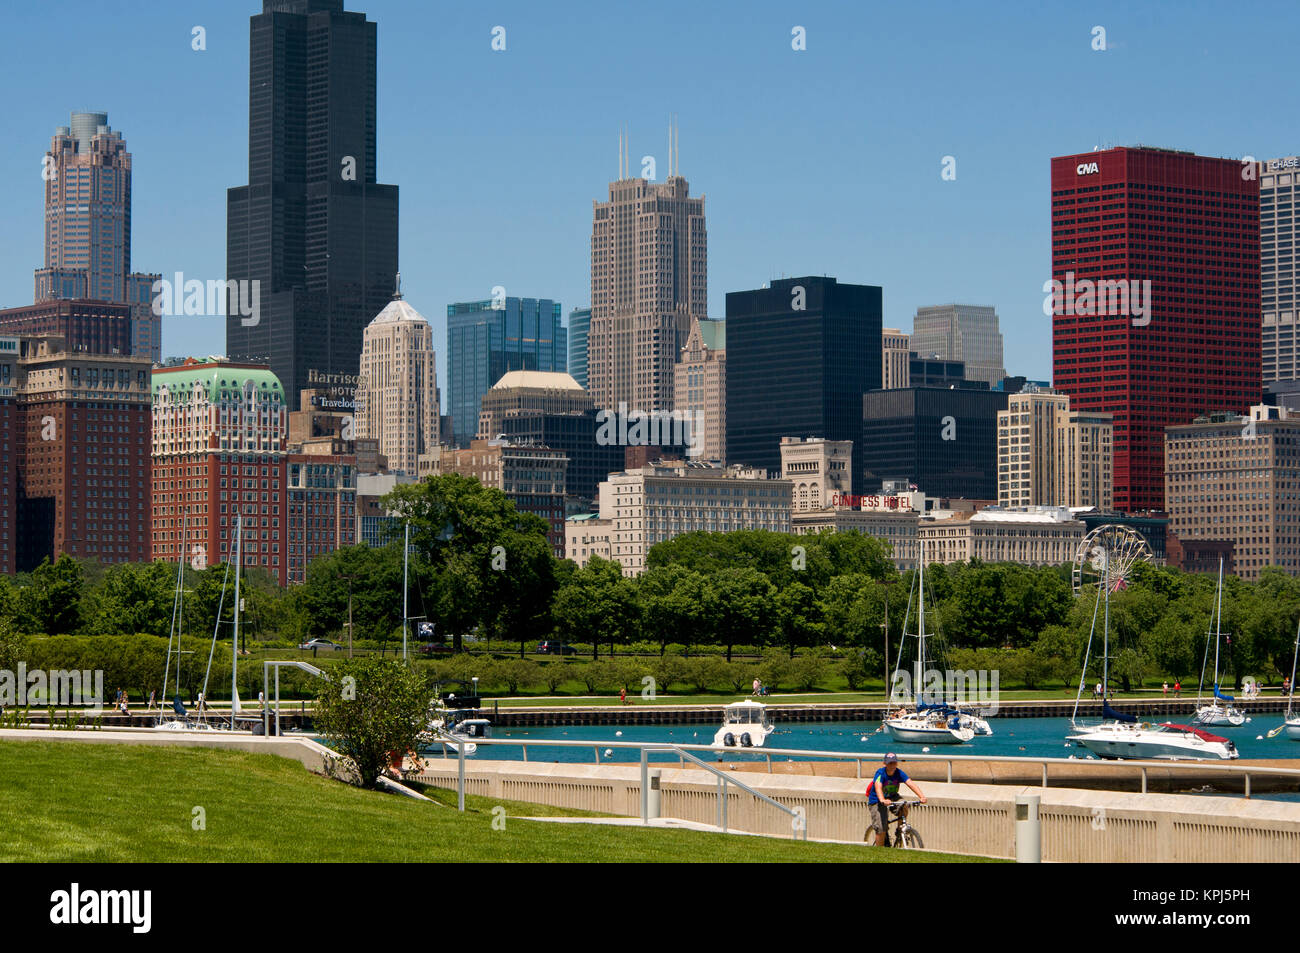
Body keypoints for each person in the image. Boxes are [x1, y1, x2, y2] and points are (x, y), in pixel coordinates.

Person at [866, 753, 926, 847]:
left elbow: (910, 783)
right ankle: (879, 851)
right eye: (890, 763)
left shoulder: (898, 772)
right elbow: (878, 787)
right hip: (877, 800)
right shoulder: (880, 773)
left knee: (904, 805)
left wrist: (921, 796)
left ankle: (900, 831)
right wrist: (882, 800)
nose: (892, 766)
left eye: (894, 763)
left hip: (893, 797)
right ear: (885, 763)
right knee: (881, 828)